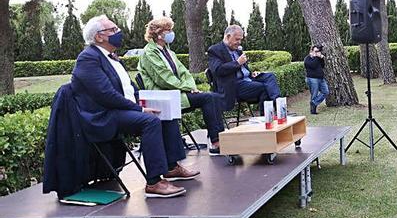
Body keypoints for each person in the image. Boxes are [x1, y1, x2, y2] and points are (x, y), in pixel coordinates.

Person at [73, 15, 199, 198]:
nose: (118, 32)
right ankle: (154, 182)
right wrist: (139, 109)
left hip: (121, 109)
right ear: (99, 37)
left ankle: (171, 167)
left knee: (165, 110)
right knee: (150, 121)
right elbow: (106, 95)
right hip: (104, 115)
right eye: (113, 30)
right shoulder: (88, 58)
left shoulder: (112, 57)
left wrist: (147, 102)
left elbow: (130, 90)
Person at [138, 17, 227, 154]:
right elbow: (164, 79)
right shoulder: (149, 52)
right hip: (164, 97)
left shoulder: (169, 52)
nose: (171, 33)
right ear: (157, 33)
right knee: (209, 98)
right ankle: (216, 142)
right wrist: (186, 88)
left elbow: (184, 72)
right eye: (168, 30)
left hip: (177, 92)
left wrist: (192, 86)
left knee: (213, 97)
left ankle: (219, 139)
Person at [208, 25, 282, 112]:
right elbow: (218, 70)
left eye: (241, 39)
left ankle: (278, 103)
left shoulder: (237, 50)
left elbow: (243, 68)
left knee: (270, 76)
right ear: (228, 37)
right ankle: (269, 116)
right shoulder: (214, 50)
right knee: (263, 88)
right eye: (237, 39)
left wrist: (251, 73)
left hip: (247, 80)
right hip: (233, 85)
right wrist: (237, 63)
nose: (239, 42)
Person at [304, 45, 329, 114]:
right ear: (311, 51)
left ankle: (314, 103)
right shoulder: (307, 59)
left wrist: (322, 58)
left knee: (325, 91)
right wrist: (317, 57)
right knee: (314, 94)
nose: (317, 53)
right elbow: (313, 65)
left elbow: (323, 66)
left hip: (321, 78)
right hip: (312, 79)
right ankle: (313, 110)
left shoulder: (318, 58)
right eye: (316, 51)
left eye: (318, 51)